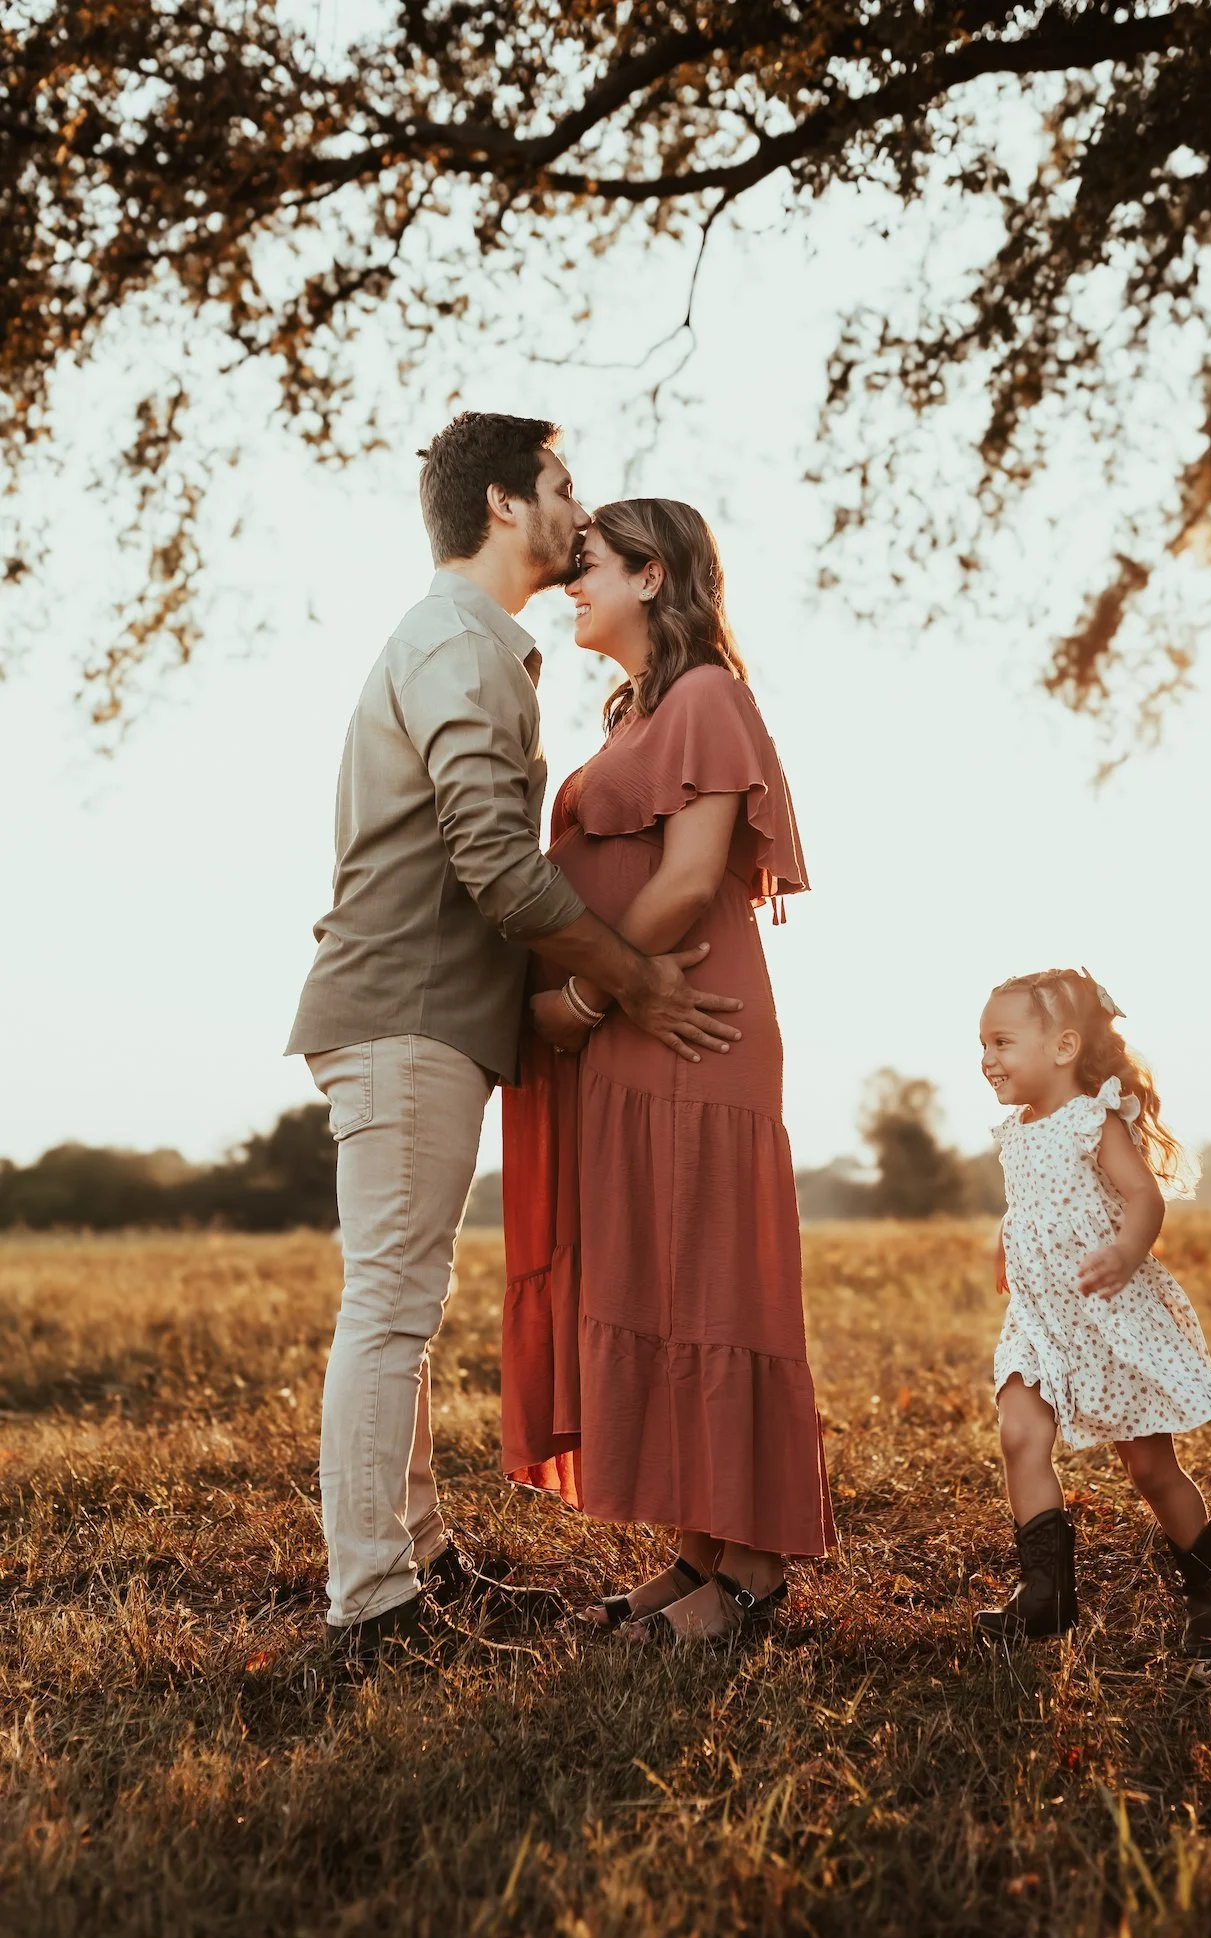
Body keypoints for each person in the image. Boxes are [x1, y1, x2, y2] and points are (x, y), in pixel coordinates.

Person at [286, 416, 745, 1662]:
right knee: (389, 1307)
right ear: (502, 504)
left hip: (424, 1014)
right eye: (560, 485)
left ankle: (424, 1563)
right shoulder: (455, 644)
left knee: (403, 1305)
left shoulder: (474, 646)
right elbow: (489, 856)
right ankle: (374, 1603)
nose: (574, 508)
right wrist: (630, 979)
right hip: (406, 1013)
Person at [500, 498, 834, 1644]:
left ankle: (754, 1565)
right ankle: (697, 1545)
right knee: (657, 1270)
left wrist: (587, 997)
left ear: (653, 576)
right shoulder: (640, 710)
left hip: (687, 1023)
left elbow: (691, 878)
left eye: (585, 565)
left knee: (708, 1274)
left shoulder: (704, 698)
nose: (566, 584)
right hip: (636, 1035)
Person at [973, 968, 1211, 1657]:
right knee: (1018, 1434)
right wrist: (1006, 1237)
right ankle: (1045, 1596)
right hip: (1039, 1322)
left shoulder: (1095, 1120)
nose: (986, 1059)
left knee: (1150, 1470)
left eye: (1001, 1042)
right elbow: (1032, 1202)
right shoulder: (1016, 1131)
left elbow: (1142, 1197)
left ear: (1062, 1048)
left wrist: (1126, 1250)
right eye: (982, 1044)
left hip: (1104, 1319)